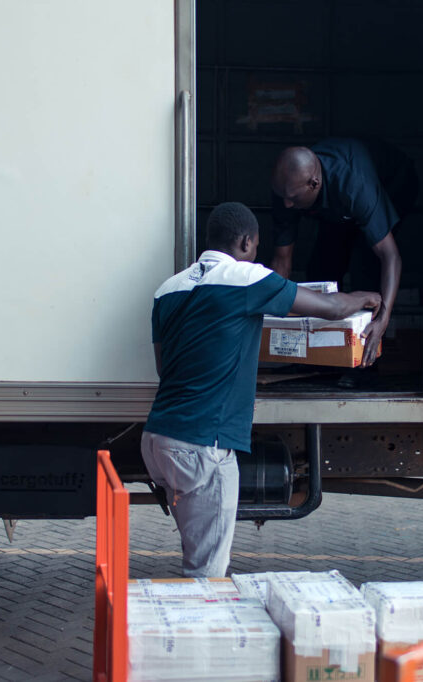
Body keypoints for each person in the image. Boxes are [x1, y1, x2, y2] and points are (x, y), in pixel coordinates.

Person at [142, 201, 381, 577]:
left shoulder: (167, 289)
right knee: (207, 573)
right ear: (246, 241)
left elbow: (163, 365)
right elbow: (331, 308)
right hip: (204, 445)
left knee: (197, 552)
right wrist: (369, 299)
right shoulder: (245, 278)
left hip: (159, 441)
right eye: (255, 246)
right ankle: (201, 629)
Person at [269, 138, 416, 367]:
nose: (287, 205)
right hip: (339, 204)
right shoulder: (287, 190)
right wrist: (270, 318)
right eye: (283, 197)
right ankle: (325, 356)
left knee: (365, 263)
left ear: (313, 183)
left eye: (293, 199)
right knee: (320, 267)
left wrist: (384, 318)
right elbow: (282, 260)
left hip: (395, 181)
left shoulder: (355, 185)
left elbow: (391, 256)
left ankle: (366, 362)